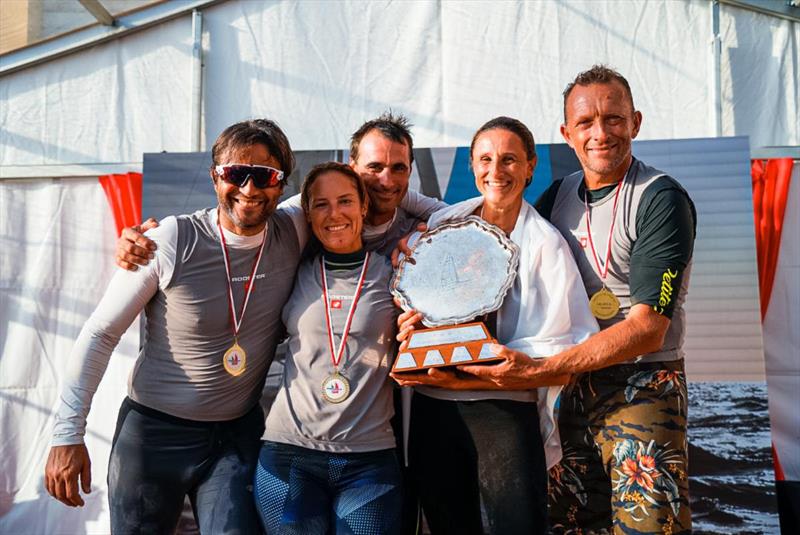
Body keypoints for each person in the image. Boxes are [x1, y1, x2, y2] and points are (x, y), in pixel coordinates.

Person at [113, 111, 443, 534]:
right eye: (373, 168)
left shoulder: (412, 250)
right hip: (287, 450)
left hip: (371, 451)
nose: (384, 179)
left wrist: (415, 331)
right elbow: (237, 213)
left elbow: (460, 229)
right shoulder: (298, 244)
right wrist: (151, 240)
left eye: (397, 168)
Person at [457, 66, 696, 534]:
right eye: (585, 123)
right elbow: (495, 265)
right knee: (570, 527)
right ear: (567, 133)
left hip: (642, 384)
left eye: (613, 118)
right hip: (569, 391)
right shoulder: (556, 195)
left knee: (649, 529)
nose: (600, 133)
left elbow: (649, 327)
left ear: (636, 122)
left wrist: (540, 369)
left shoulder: (660, 198)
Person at [44, 119, 307, 533]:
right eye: (236, 173)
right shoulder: (171, 239)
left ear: (282, 184)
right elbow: (100, 333)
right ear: (215, 177)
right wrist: (65, 434)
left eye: (265, 176)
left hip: (235, 438)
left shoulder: (295, 228)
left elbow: (369, 194)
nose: (250, 189)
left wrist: (429, 227)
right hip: (153, 436)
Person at [392, 117, 598, 534]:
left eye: (509, 160)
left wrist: (484, 370)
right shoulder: (440, 226)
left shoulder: (546, 244)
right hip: (435, 409)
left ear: (530, 166)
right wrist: (410, 322)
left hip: (504, 414)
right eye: (485, 159)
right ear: (471, 165)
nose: (496, 171)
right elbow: (417, 301)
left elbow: (567, 348)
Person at [254, 162, 402, 533]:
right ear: (307, 214)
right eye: (320, 204)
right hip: (288, 456)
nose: (334, 214)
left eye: (345, 201)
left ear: (364, 206)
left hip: (368, 460)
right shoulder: (290, 270)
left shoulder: (396, 273)